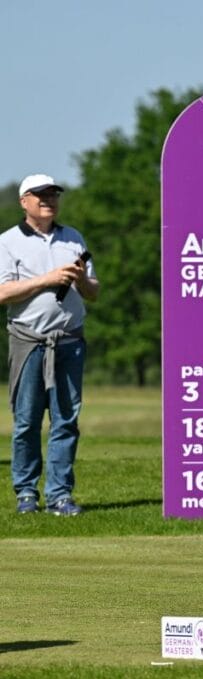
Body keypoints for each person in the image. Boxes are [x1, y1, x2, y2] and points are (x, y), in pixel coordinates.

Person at [0, 174, 100, 516]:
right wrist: (48, 280)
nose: (49, 201)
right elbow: (2, 292)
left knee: (66, 421)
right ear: (24, 201)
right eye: (40, 195)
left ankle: (59, 495)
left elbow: (94, 293)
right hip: (28, 340)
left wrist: (80, 278)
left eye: (53, 195)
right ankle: (26, 493)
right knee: (27, 421)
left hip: (69, 340)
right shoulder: (8, 241)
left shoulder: (73, 238)